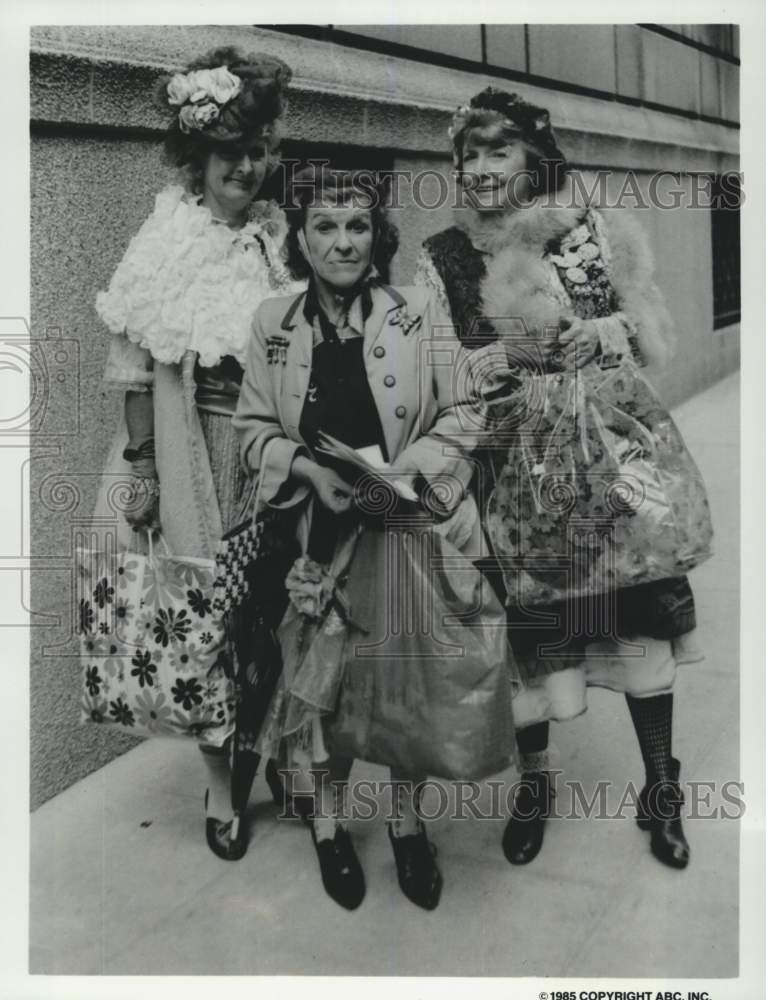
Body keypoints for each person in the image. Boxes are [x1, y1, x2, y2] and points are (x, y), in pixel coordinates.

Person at [415, 87, 713, 870]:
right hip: (513, 467)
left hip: (615, 462)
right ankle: (536, 784)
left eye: (498, 151)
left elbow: (651, 326)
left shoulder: (596, 231)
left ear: (535, 159)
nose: (479, 169)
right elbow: (440, 369)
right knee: (531, 632)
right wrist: (504, 362)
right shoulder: (443, 256)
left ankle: (661, 788)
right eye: (468, 154)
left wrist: (604, 331)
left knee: (641, 610)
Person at [233, 165, 513, 910]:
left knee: (398, 685)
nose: (343, 242)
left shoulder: (419, 310)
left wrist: (405, 473)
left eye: (357, 226)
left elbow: (466, 413)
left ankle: (406, 825)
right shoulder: (272, 321)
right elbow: (251, 431)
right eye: (324, 226)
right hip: (315, 532)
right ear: (300, 238)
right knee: (320, 691)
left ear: (378, 235)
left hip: (403, 529)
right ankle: (328, 825)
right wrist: (308, 472)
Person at [94, 47, 301, 861]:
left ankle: (279, 748)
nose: (245, 169)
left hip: (267, 452)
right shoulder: (167, 239)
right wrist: (144, 467)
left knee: (277, 613)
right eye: (228, 156)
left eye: (256, 152)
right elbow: (133, 366)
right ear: (196, 160)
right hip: (197, 458)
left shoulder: (270, 239)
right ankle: (222, 787)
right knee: (207, 617)